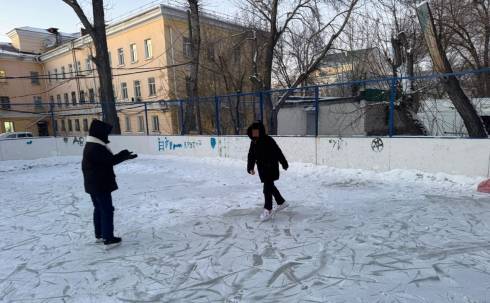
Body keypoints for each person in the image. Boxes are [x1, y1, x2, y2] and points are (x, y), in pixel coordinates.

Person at [82, 119, 137, 247]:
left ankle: (100, 234)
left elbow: (106, 161)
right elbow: (109, 161)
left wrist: (124, 157)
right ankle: (108, 238)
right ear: (99, 133)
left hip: (94, 184)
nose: (107, 135)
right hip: (99, 184)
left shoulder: (93, 145)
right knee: (106, 210)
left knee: (99, 208)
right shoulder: (95, 147)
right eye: (105, 133)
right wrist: (123, 155)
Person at [247, 121, 289, 221]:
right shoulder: (253, 142)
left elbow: (278, 151)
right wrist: (250, 167)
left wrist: (284, 163)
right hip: (262, 169)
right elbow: (251, 155)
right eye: (253, 131)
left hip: (271, 167)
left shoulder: (268, 140)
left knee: (267, 189)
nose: (255, 133)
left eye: (257, 131)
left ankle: (268, 209)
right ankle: (281, 202)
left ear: (261, 131)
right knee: (270, 187)